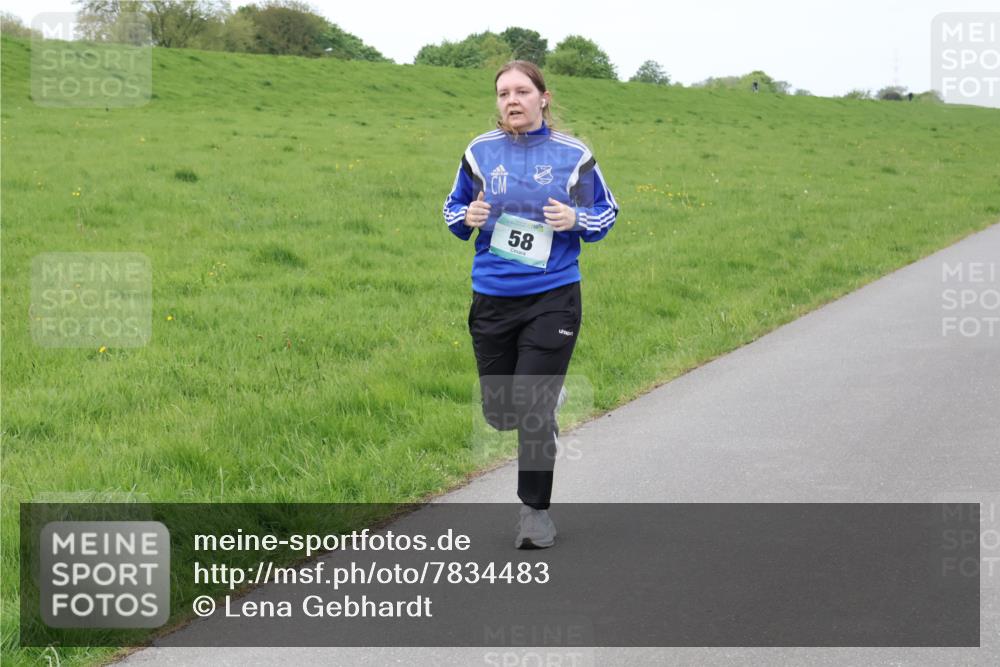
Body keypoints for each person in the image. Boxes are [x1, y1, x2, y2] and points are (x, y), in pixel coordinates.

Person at [442, 60, 618, 548]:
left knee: (531, 405)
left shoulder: (572, 155)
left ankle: (535, 514)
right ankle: (546, 399)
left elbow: (607, 211)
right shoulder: (479, 151)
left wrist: (575, 219)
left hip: (554, 296)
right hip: (493, 297)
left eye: (521, 91)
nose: (511, 101)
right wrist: (468, 215)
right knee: (501, 412)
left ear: (544, 98)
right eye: (503, 93)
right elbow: (452, 208)